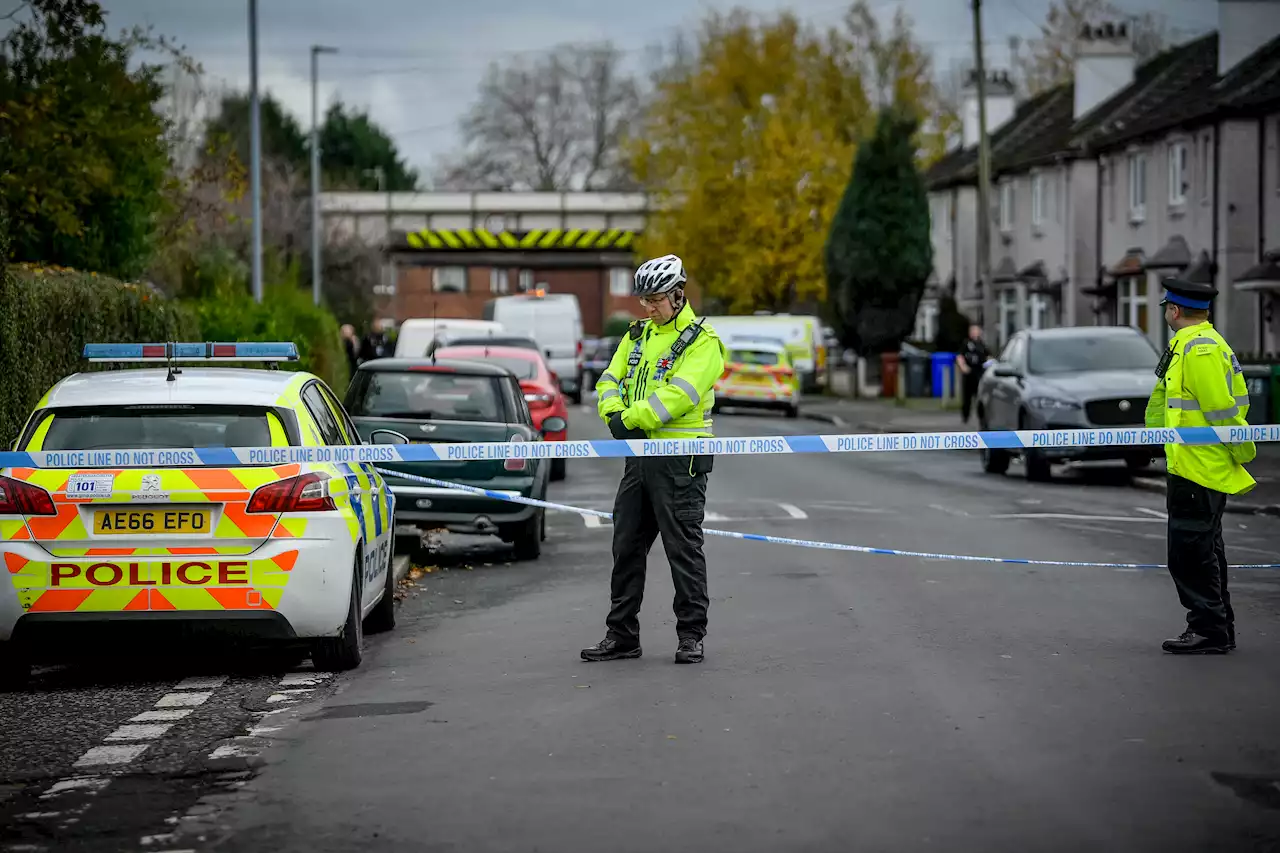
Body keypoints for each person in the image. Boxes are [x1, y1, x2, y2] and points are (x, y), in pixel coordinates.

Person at [582, 254, 726, 665]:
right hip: (639, 457)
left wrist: (631, 418)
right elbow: (609, 378)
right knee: (625, 546)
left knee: (683, 549)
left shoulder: (703, 342)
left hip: (681, 460)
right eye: (643, 300)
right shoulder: (637, 335)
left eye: (656, 299)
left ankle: (691, 635)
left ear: (679, 295)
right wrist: (612, 414)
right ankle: (622, 635)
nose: (648, 307)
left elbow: (679, 395)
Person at [1144, 276, 1256, 655]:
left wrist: (1243, 454)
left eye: (1166, 309)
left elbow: (1221, 411)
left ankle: (1209, 628)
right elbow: (1170, 405)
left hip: (1200, 467)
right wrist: (1154, 440)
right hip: (1190, 464)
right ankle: (1218, 626)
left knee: (1191, 552)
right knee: (1204, 549)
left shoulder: (1200, 351)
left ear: (1174, 310)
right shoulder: (1189, 345)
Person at [955, 324, 989, 425]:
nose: (974, 332)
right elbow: (960, 356)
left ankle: (982, 417)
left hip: (979, 374)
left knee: (980, 397)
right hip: (968, 374)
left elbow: (988, 356)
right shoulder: (966, 343)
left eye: (976, 330)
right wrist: (963, 367)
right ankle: (965, 417)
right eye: (972, 330)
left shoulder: (982, 345)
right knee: (966, 398)